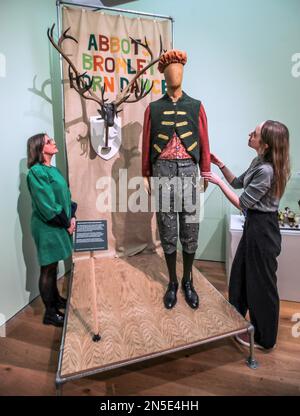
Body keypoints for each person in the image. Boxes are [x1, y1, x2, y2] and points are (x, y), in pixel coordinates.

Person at [202, 120, 290, 350]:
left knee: (262, 286)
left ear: (267, 144)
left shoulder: (267, 171)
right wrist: (220, 165)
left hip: (263, 229)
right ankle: (237, 322)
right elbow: (238, 182)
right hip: (254, 226)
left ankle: (265, 339)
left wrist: (217, 182)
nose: (249, 134)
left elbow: (242, 202)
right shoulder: (258, 162)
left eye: (256, 133)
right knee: (240, 276)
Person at [142, 50, 211, 310]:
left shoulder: (196, 106)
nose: (176, 72)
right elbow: (147, 141)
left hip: (189, 171)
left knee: (190, 228)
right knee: (167, 228)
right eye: (171, 68)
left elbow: (204, 140)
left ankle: (187, 280)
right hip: (162, 170)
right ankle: (172, 282)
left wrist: (204, 170)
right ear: (164, 73)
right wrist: (146, 172)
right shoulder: (153, 108)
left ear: (183, 71)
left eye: (179, 68)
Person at [27, 133, 77, 327]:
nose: (53, 142)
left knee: (54, 265)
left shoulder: (53, 170)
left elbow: (66, 195)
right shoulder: (36, 172)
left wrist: (71, 216)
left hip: (59, 223)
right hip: (47, 227)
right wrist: (65, 223)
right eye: (49, 141)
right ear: (40, 149)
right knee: (47, 268)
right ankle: (50, 313)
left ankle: (56, 300)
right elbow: (47, 205)